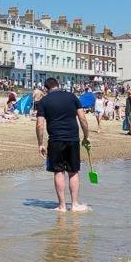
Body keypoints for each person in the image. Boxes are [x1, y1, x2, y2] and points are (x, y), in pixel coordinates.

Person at [36, 77, 91, 212]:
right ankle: (74, 205)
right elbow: (82, 118)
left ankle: (61, 206)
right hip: (72, 138)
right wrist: (86, 136)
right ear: (58, 85)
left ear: (46, 89)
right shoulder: (72, 96)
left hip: (55, 140)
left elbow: (39, 124)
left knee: (58, 172)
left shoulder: (43, 101)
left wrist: (40, 144)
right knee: (73, 171)